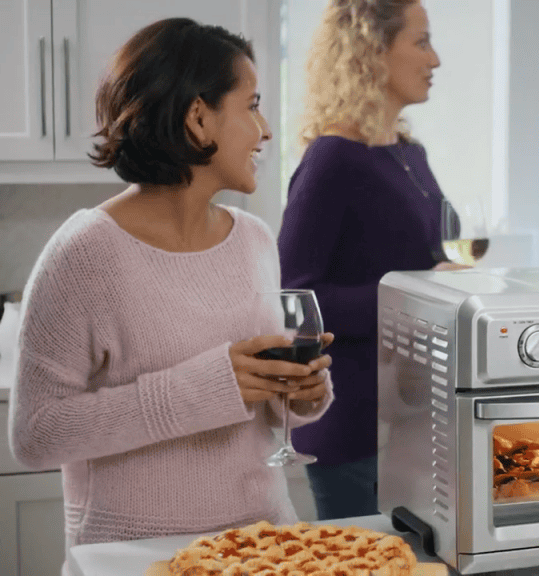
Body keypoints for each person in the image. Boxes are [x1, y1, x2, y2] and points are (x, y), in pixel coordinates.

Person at [7, 18, 334, 571]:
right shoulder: (85, 254)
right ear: (198, 116)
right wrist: (202, 389)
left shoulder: (253, 239)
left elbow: (255, 400)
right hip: (135, 555)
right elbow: (36, 435)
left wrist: (299, 398)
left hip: (267, 544)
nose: (266, 129)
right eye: (251, 105)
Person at [278, 0, 466, 521]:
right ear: (372, 50)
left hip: (416, 420)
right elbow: (297, 301)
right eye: (421, 41)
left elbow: (432, 258)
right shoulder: (331, 160)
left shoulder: (409, 154)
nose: (435, 59)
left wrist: (442, 285)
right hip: (356, 430)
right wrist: (419, 293)